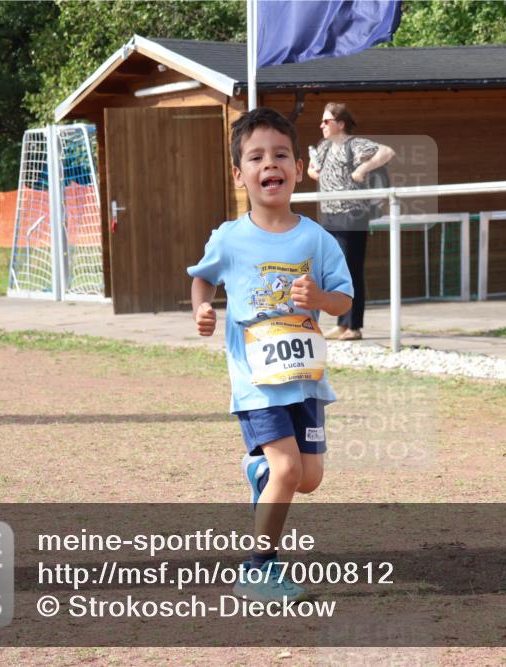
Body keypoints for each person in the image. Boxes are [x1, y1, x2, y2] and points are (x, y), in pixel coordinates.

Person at [187, 107, 354, 604]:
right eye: (256, 157)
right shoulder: (230, 238)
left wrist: (320, 300)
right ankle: (259, 569)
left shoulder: (316, 239)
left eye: (280, 155)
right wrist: (202, 309)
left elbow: (344, 299)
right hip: (256, 381)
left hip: (305, 377)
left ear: (298, 168)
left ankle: (259, 471)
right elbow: (202, 275)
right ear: (240, 174)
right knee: (287, 471)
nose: (269, 164)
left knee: (309, 479)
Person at [307, 102, 395, 341]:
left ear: (341, 124)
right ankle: (341, 323)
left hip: (352, 214)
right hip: (330, 214)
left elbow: (387, 151)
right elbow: (315, 172)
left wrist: (363, 168)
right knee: (334, 270)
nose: (322, 125)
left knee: (351, 269)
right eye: (322, 121)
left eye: (327, 121)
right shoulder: (323, 147)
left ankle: (353, 326)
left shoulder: (354, 144)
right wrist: (313, 171)